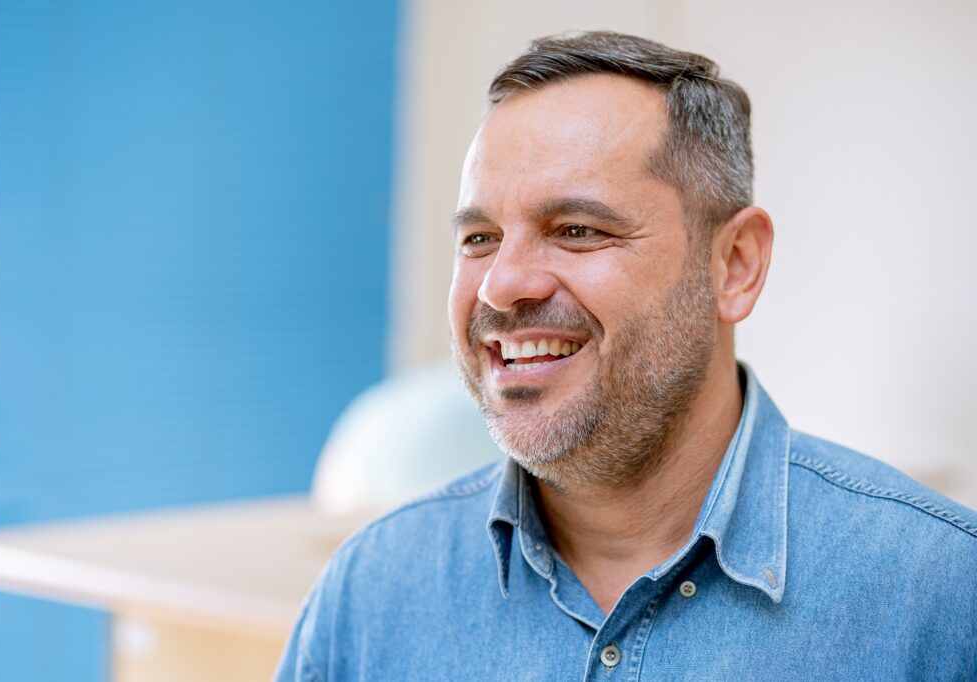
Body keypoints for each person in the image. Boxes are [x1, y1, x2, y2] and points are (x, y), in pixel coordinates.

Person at [275, 32, 977, 680]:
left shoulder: (940, 597)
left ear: (735, 265)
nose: (503, 283)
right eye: (479, 238)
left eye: (576, 229)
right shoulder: (372, 595)